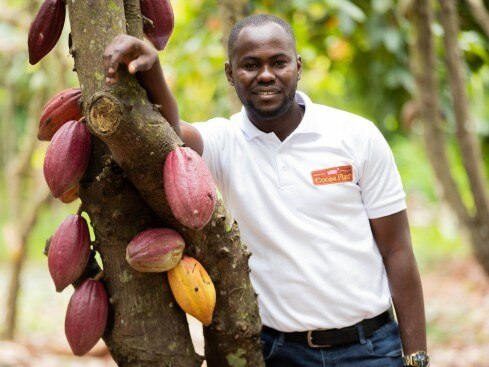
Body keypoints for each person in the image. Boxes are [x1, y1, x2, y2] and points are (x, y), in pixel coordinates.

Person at [103, 14, 429, 367]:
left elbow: (397, 250)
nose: (266, 75)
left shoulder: (355, 136)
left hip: (370, 348)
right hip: (280, 352)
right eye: (250, 65)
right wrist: (153, 72)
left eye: (278, 62)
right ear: (230, 74)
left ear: (298, 67)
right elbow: (170, 136)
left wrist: (416, 357)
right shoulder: (224, 142)